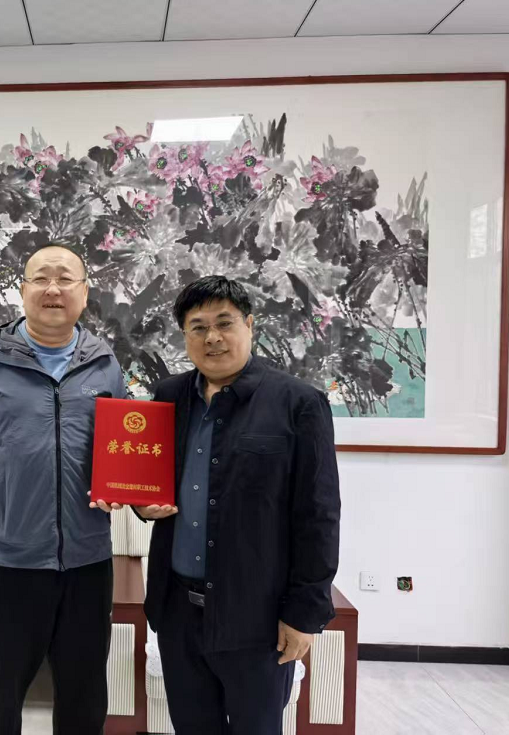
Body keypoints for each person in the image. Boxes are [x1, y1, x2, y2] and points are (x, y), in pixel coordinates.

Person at [93, 275, 340, 735]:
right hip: (177, 611)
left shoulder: (298, 403)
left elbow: (319, 515)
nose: (212, 337)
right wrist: (141, 506)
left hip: (257, 616)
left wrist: (305, 614)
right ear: (185, 335)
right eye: (198, 326)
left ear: (249, 325)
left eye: (225, 323)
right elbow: (150, 484)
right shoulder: (168, 397)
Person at [0, 244, 126, 735]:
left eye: (65, 278)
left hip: (87, 560)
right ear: (23, 290)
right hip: (7, 558)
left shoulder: (105, 362)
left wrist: (124, 489)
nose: (53, 289)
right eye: (41, 278)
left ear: (84, 292)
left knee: (85, 698)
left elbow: (121, 452)